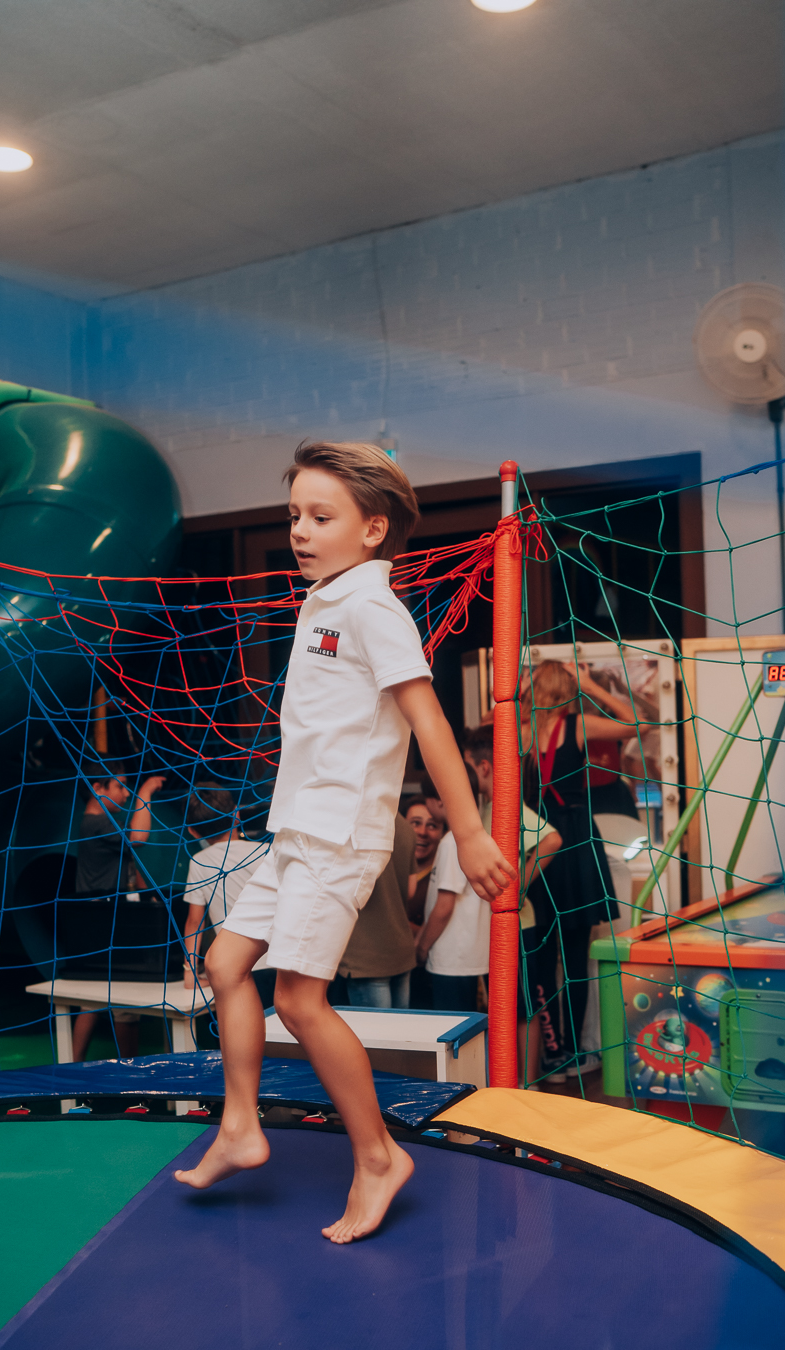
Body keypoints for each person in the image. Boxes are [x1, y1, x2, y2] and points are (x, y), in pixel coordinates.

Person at [173, 440, 514, 1243]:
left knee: (299, 999)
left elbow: (429, 720)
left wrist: (469, 832)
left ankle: (378, 1156)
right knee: (224, 964)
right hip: (296, 831)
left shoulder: (371, 608)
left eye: (320, 517)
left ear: (373, 529)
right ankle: (239, 1127)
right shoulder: (322, 602)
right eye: (294, 514)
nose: (299, 530)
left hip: (339, 839)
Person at [520, 659, 649, 1080]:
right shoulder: (574, 726)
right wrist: (591, 685)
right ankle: (573, 1054)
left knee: (540, 954)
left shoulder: (521, 730)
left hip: (537, 840)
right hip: (574, 841)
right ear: (567, 688)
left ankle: (548, 1054)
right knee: (575, 957)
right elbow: (638, 725)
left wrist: (520, 692)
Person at [462, 725, 563, 1087]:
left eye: (467, 766)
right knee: (505, 1006)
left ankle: (528, 1084)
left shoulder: (507, 807)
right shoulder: (483, 809)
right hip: (495, 925)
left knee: (524, 1008)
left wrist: (516, 884)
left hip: (520, 925)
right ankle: (510, 1081)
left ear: (484, 767)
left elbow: (552, 839)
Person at [71, 762, 165, 1061]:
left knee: (93, 1000)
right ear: (97, 788)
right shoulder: (96, 823)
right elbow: (139, 836)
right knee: (122, 1002)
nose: (125, 794)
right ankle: (130, 1069)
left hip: (103, 919)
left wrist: (148, 895)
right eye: (120, 786)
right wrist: (145, 792)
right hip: (105, 920)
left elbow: (128, 865)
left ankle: (77, 1064)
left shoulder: (102, 823)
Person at [182, 783, 272, 1007]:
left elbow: (194, 922)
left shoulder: (199, 862)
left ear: (192, 831)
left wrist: (190, 973)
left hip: (235, 967)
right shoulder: (266, 852)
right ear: (237, 814)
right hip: (279, 961)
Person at [337, 810, 417, 1008]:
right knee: (400, 1027)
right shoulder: (403, 825)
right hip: (400, 947)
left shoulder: (349, 821)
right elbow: (411, 890)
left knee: (374, 1028)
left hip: (365, 954)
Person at [403, 795, 444, 929]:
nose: (422, 832)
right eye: (415, 823)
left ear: (443, 833)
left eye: (432, 825)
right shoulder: (386, 873)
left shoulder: (443, 882)